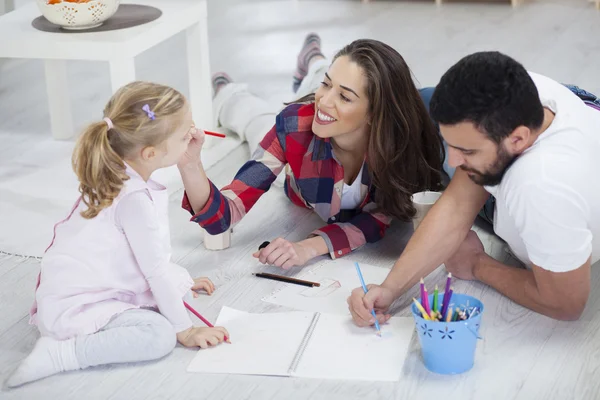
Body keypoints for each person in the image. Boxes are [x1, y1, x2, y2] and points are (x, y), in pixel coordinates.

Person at [348, 51, 600, 324]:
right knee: (417, 107)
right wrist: (389, 288)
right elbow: (457, 203)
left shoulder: (539, 187)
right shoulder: (521, 93)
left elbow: (566, 303)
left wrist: (477, 264)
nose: (452, 161)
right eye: (452, 145)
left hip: (559, 184)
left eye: (466, 150)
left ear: (518, 139)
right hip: (584, 109)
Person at [6, 82, 229, 388]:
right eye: (183, 134)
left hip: (76, 287)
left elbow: (130, 252)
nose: (192, 133)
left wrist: (180, 278)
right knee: (159, 335)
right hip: (81, 303)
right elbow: (154, 270)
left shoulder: (117, 173)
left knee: (171, 295)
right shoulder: (134, 199)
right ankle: (62, 354)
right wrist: (186, 330)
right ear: (150, 153)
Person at [178, 35, 445, 269]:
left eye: (345, 96)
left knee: (292, 111)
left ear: (376, 114)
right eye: (326, 84)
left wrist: (308, 248)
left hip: (336, 126)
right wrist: (190, 165)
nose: (325, 100)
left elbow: (376, 220)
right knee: (255, 121)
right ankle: (229, 91)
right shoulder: (294, 128)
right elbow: (223, 216)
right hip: (303, 144)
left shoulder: (398, 147)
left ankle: (314, 61)